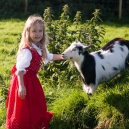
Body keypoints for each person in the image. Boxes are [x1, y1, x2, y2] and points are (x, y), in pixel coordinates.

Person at [6, 14, 63, 129]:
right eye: (34, 31)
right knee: (24, 107)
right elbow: (20, 69)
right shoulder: (27, 50)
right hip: (23, 80)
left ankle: (35, 123)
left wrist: (64, 56)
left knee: (37, 103)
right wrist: (21, 86)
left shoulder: (40, 46)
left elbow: (49, 56)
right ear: (28, 32)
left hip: (32, 80)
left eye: (40, 31)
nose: (37, 34)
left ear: (43, 32)